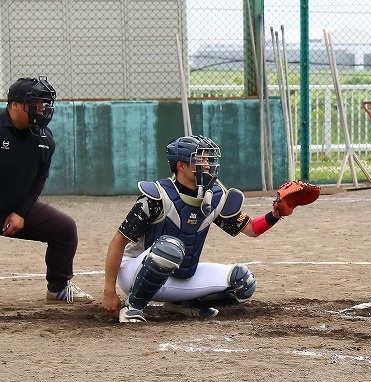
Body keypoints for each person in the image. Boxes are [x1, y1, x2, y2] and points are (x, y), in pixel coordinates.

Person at [101, 134, 314, 323]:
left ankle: (182, 304)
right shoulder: (156, 196)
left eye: (208, 159)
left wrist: (275, 214)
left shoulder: (214, 195)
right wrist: (109, 291)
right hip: (134, 272)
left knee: (242, 281)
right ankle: (134, 307)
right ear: (181, 165)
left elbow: (251, 228)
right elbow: (117, 242)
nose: (207, 165)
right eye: (200, 160)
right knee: (170, 247)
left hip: (181, 275)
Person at [1, 77, 94, 304]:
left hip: (14, 207)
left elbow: (40, 177)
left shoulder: (44, 138)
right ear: (14, 105)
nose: (41, 109)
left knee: (64, 229)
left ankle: (58, 289)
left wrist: (21, 212)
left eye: (43, 103)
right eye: (34, 103)